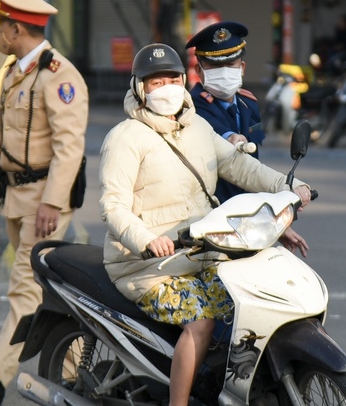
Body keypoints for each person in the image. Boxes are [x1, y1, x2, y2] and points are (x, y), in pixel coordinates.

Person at [99, 43, 312, 406]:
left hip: (201, 252)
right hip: (148, 264)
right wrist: (147, 240)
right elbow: (112, 204)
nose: (164, 88)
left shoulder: (197, 126)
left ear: (184, 81)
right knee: (201, 323)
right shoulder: (125, 137)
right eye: (154, 82)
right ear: (139, 88)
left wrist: (288, 186)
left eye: (170, 79)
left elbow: (240, 166)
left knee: (250, 303)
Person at [0, 0, 89, 405]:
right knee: (48, 294)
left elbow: (70, 147)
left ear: (14, 29)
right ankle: (80, 365)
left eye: (1, 26)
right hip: (15, 199)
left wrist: (52, 201)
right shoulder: (14, 73)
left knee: (24, 290)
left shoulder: (59, 76)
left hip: (43, 203)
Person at [187, 21, 308, 255]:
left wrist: (273, 223)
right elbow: (228, 147)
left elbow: (253, 168)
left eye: (230, 64)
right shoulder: (191, 107)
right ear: (199, 70)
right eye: (213, 65)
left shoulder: (248, 103)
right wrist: (232, 139)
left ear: (242, 67)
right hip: (207, 220)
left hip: (245, 221)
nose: (223, 71)